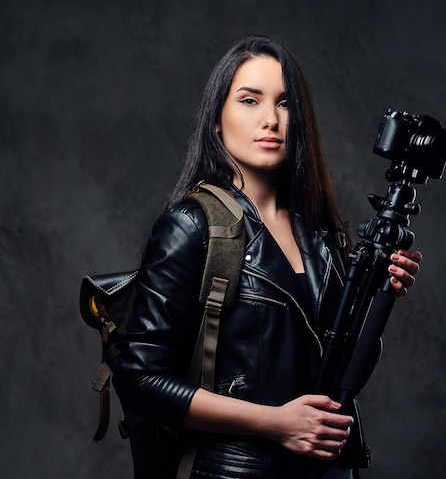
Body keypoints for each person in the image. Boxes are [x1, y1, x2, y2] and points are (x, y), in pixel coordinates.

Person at [111, 35, 422, 479]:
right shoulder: (192, 226)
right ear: (217, 119)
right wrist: (275, 424)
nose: (270, 120)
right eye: (249, 100)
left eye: (284, 103)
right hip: (233, 471)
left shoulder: (320, 233)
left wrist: (378, 296)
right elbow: (139, 379)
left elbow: (341, 378)